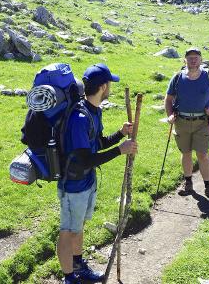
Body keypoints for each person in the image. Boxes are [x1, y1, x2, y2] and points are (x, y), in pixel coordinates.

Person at [57, 63, 137, 284]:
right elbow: (85, 158)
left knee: (78, 227)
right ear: (103, 87)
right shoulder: (79, 119)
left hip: (86, 180)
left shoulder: (94, 112)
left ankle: (78, 265)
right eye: (109, 84)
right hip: (73, 184)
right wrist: (120, 151)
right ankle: (68, 277)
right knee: (67, 231)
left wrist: (120, 134)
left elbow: (97, 144)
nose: (110, 87)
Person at [164, 47, 209, 200]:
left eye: (196, 57)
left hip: (202, 122)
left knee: (202, 154)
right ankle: (188, 183)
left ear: (201, 60)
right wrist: (170, 115)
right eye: (190, 57)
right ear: (185, 60)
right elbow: (168, 99)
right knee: (186, 153)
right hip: (181, 121)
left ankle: (208, 186)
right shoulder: (177, 77)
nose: (193, 59)